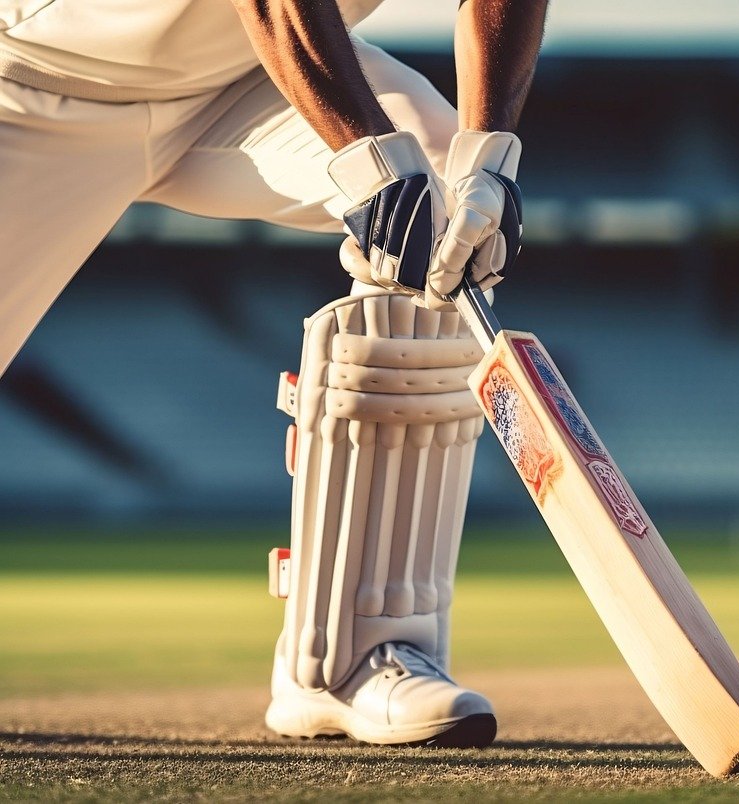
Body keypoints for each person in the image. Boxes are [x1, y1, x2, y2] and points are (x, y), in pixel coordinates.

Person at [0, 0, 549, 748]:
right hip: (32, 79)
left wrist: (489, 152)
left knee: (445, 198)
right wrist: (363, 153)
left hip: (241, 77)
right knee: (397, 185)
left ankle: (352, 658)